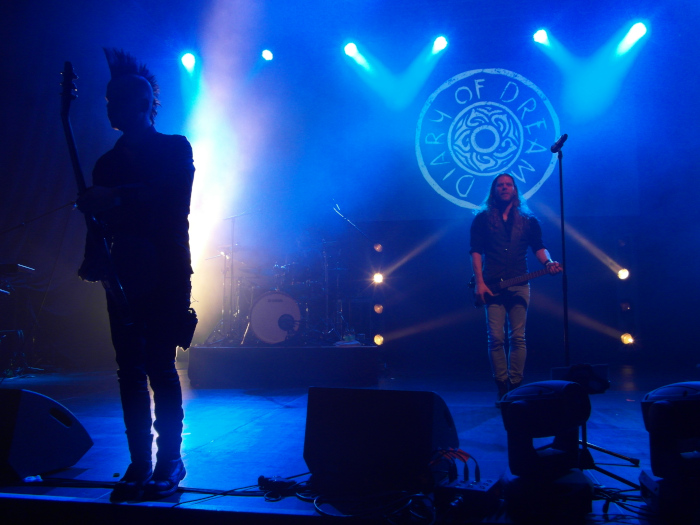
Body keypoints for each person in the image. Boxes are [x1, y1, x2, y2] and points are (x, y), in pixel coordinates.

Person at [77, 49, 196, 501]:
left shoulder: (175, 148)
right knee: (129, 370)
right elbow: (99, 223)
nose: (109, 107)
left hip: (165, 271)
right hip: (123, 273)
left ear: (143, 104)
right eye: (108, 100)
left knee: (160, 366)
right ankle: (140, 462)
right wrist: (95, 255)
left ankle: (170, 461)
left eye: (117, 100)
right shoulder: (106, 164)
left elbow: (169, 197)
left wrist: (113, 198)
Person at [469, 173, 562, 402]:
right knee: (495, 338)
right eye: (500, 185)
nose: (504, 187)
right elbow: (476, 252)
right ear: (494, 190)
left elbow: (538, 247)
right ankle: (502, 387)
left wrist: (548, 263)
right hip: (492, 286)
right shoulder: (482, 219)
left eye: (508, 184)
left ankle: (516, 387)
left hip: (519, 284)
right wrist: (480, 282)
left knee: (518, 337)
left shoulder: (528, 220)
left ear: (515, 189)